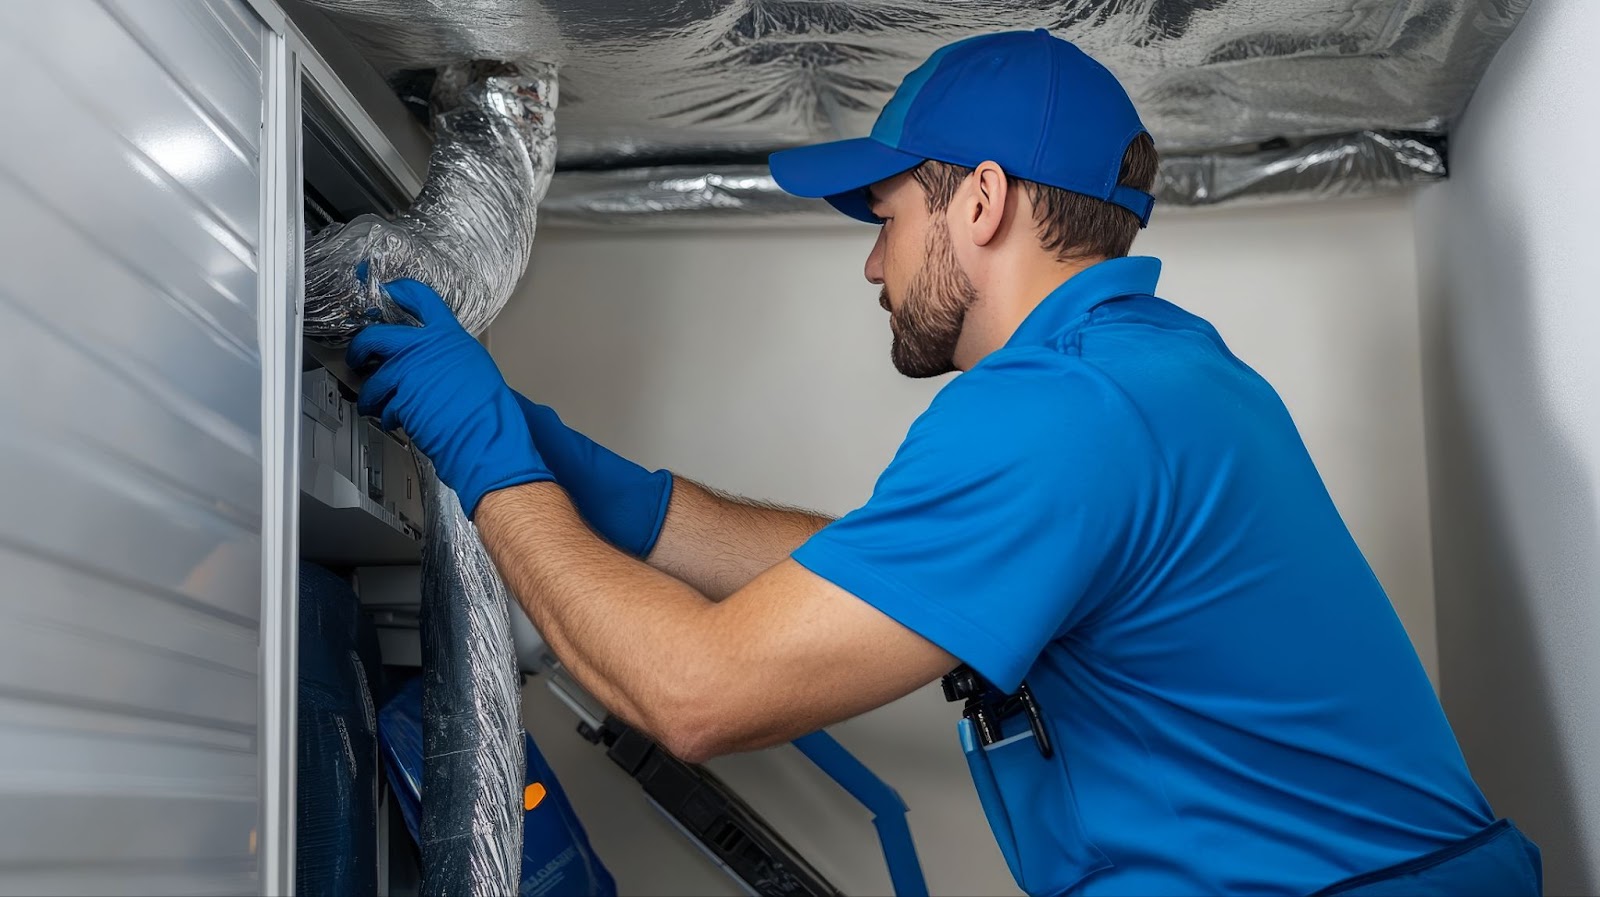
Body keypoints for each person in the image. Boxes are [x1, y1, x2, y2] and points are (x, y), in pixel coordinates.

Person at [348, 29, 1541, 897]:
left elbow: (698, 697)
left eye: (886, 220)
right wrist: (626, 500)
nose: (874, 268)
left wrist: (494, 466)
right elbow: (895, 584)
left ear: (979, 201)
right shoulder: (1146, 371)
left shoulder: (1068, 411)